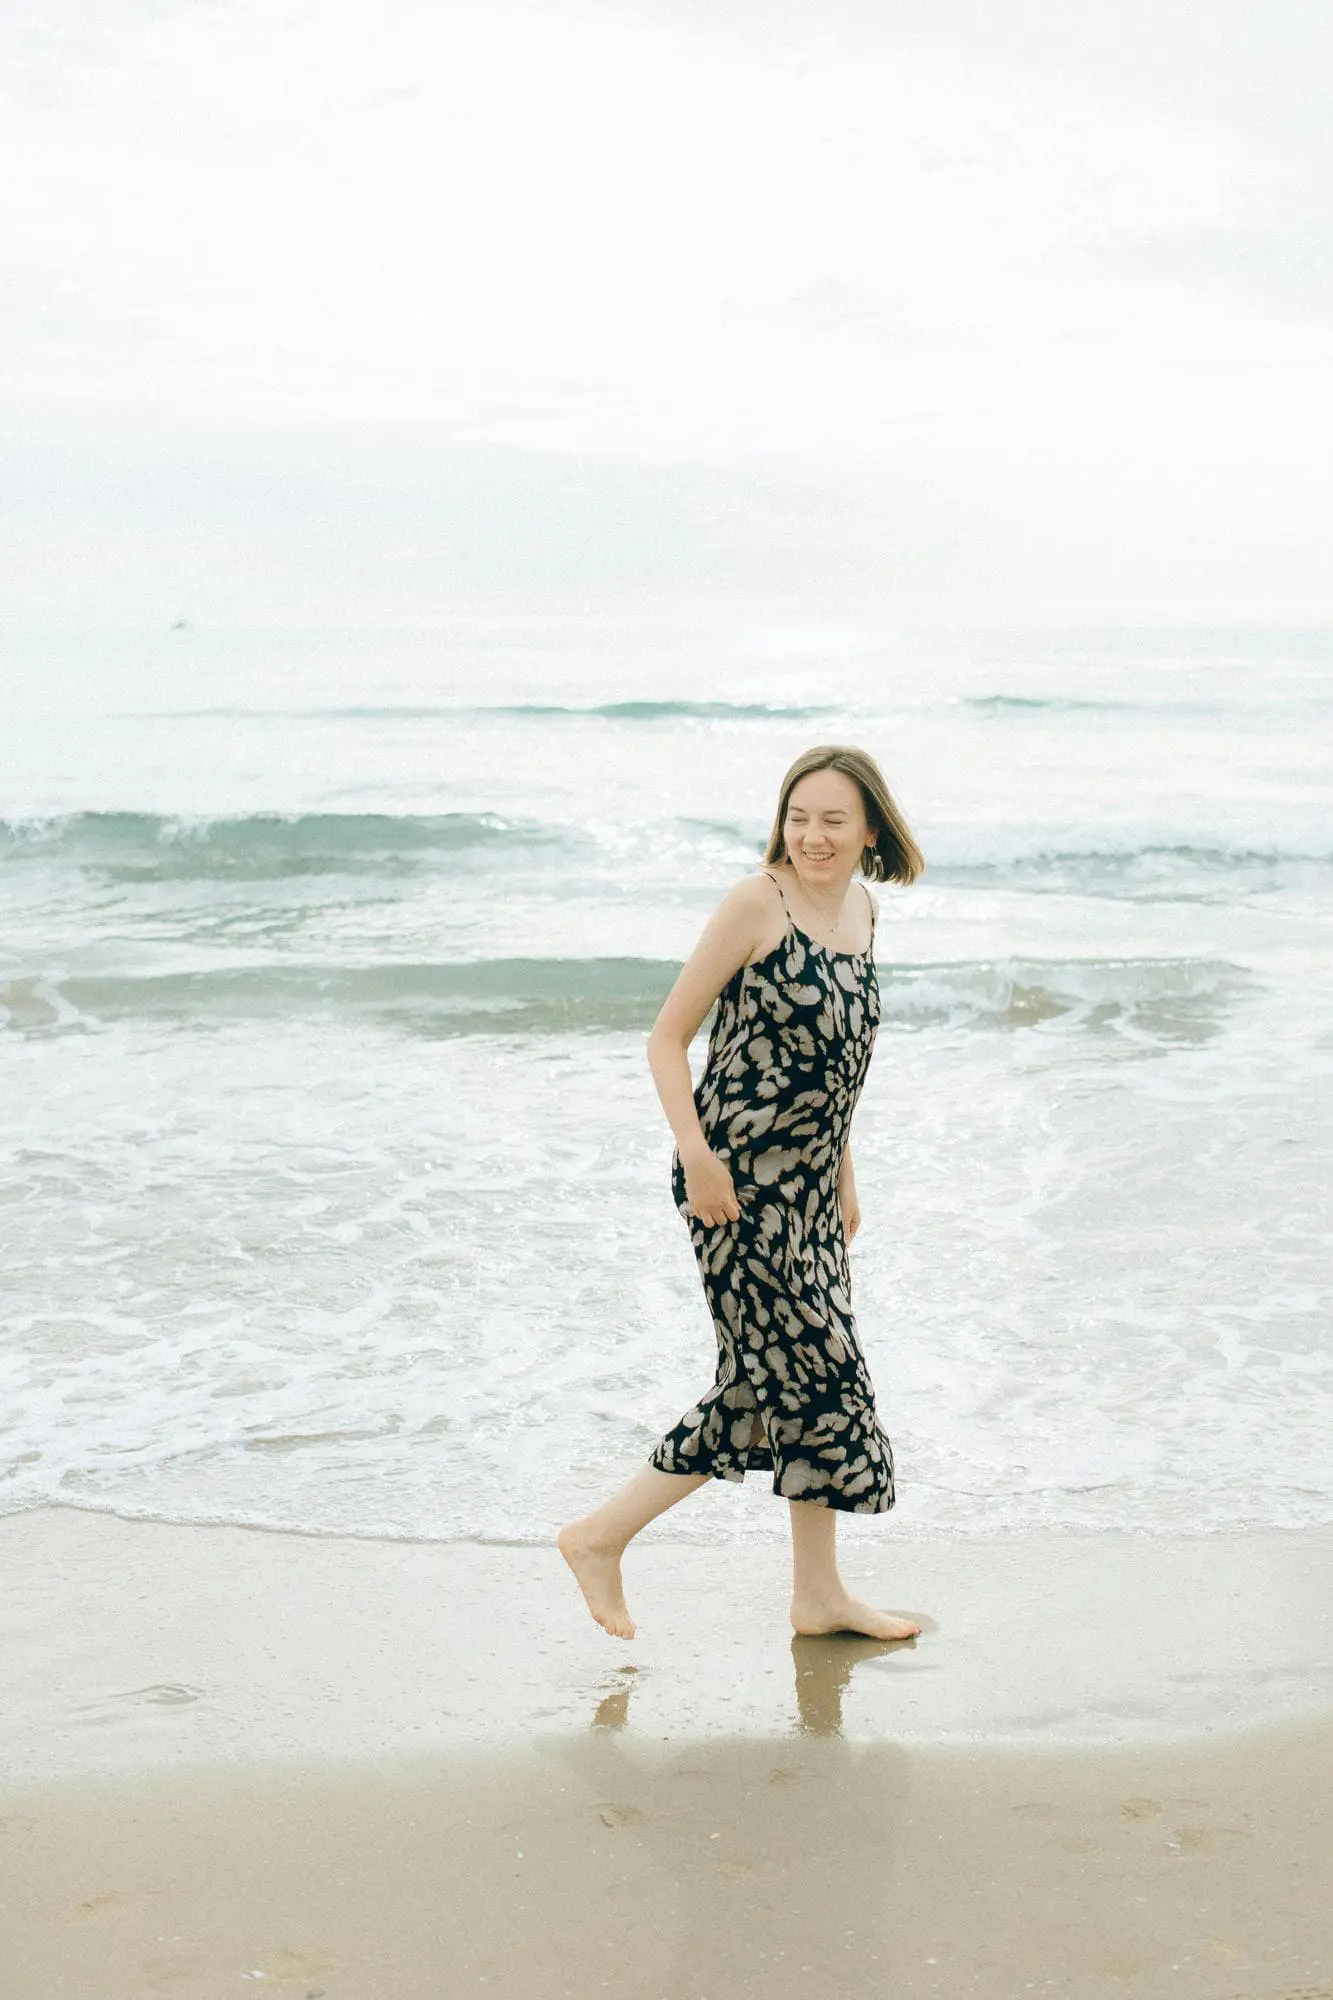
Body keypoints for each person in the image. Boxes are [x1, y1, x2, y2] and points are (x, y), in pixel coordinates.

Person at [559, 745, 925, 1642]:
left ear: (870, 827)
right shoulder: (756, 902)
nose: (813, 836)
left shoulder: (863, 912)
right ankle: (600, 1536)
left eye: (834, 820)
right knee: (808, 1381)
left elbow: (839, 1062)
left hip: (807, 1191)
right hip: (734, 1187)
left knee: (778, 1387)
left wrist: (842, 1171)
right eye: (799, 817)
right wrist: (696, 1156)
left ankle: (817, 1596)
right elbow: (665, 1038)